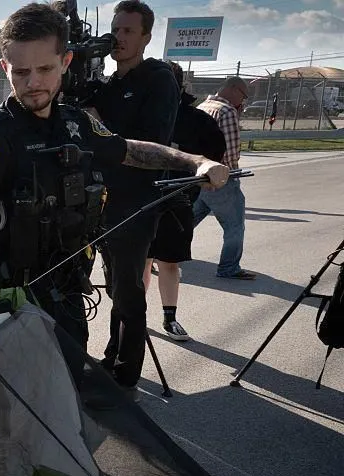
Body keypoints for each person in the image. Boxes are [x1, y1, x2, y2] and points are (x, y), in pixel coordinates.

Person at [0, 3, 228, 399]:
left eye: (45, 69)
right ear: (5, 67)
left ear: (65, 61)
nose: (33, 82)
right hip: (8, 301)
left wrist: (195, 161)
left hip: (66, 295)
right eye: (21, 72)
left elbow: (131, 150)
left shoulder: (77, 123)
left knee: (64, 395)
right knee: (12, 405)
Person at [88, 0, 180, 390]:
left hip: (135, 202)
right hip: (101, 200)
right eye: (115, 29)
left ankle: (126, 374)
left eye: (128, 31)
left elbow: (150, 141)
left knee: (127, 288)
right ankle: (112, 355)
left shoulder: (157, 78)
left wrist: (97, 123)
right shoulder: (109, 84)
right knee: (113, 285)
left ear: (146, 36)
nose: (118, 38)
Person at [144, 61, 227, 342]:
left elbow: (215, 155)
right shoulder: (143, 115)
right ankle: (135, 315)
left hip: (177, 201)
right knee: (141, 263)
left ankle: (170, 318)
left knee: (169, 262)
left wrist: (206, 173)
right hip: (139, 202)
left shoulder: (196, 120)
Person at [193, 77, 254, 280]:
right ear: (234, 90)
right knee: (235, 226)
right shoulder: (227, 112)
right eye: (243, 96)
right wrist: (233, 177)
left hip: (198, 175)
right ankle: (228, 268)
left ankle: (159, 254)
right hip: (220, 178)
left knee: (186, 220)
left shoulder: (204, 105)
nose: (242, 101)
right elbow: (230, 153)